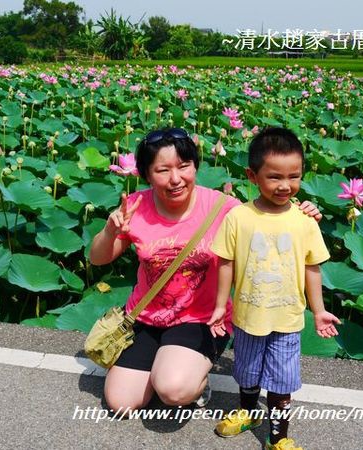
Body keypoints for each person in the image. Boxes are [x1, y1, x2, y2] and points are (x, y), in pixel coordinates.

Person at [89, 127, 322, 413]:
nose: (176, 179)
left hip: (201, 319)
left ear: (195, 166)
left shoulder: (225, 208)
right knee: (121, 403)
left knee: (174, 389)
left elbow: (272, 215)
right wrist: (111, 231)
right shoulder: (135, 206)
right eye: (163, 170)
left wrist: (302, 211)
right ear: (147, 175)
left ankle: (191, 375)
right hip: (146, 318)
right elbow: (99, 259)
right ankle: (168, 362)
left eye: (184, 166)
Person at [207, 127, 340, 450]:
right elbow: (225, 263)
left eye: (294, 176)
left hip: (287, 319)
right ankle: (249, 413)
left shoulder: (305, 221)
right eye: (275, 177)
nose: (285, 185)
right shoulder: (238, 217)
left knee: (282, 383)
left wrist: (319, 311)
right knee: (247, 373)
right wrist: (220, 306)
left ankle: (278, 437)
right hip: (249, 315)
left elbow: (312, 267)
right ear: (253, 175)